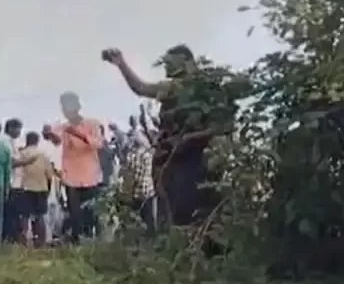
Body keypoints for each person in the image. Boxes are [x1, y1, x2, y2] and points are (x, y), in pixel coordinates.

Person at [103, 45, 228, 227]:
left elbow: (141, 88)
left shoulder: (178, 87)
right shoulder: (208, 88)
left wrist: (121, 64)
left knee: (180, 212)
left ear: (186, 62)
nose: (166, 67)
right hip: (193, 158)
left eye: (169, 62)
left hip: (182, 158)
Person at [44, 92, 104, 243]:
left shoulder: (92, 124)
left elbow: (98, 144)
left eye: (68, 106)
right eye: (63, 107)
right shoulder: (62, 127)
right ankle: (77, 244)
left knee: (92, 213)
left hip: (91, 177)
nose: (65, 110)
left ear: (77, 106)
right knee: (75, 214)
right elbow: (56, 140)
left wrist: (77, 133)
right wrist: (48, 134)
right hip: (71, 178)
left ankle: (95, 243)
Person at [15, 131, 54, 245]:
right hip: (41, 188)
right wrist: (48, 189)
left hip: (26, 187)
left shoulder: (22, 154)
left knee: (24, 216)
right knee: (40, 215)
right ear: (37, 141)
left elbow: (18, 173)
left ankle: (24, 240)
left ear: (27, 140)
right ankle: (40, 241)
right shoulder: (43, 155)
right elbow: (49, 175)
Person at [1, 118, 25, 241]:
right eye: (18, 129)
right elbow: (10, 162)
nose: (19, 132)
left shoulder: (12, 142)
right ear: (10, 128)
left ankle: (11, 237)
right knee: (10, 213)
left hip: (15, 183)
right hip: (10, 183)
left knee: (13, 213)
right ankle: (10, 238)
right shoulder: (5, 141)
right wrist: (26, 162)